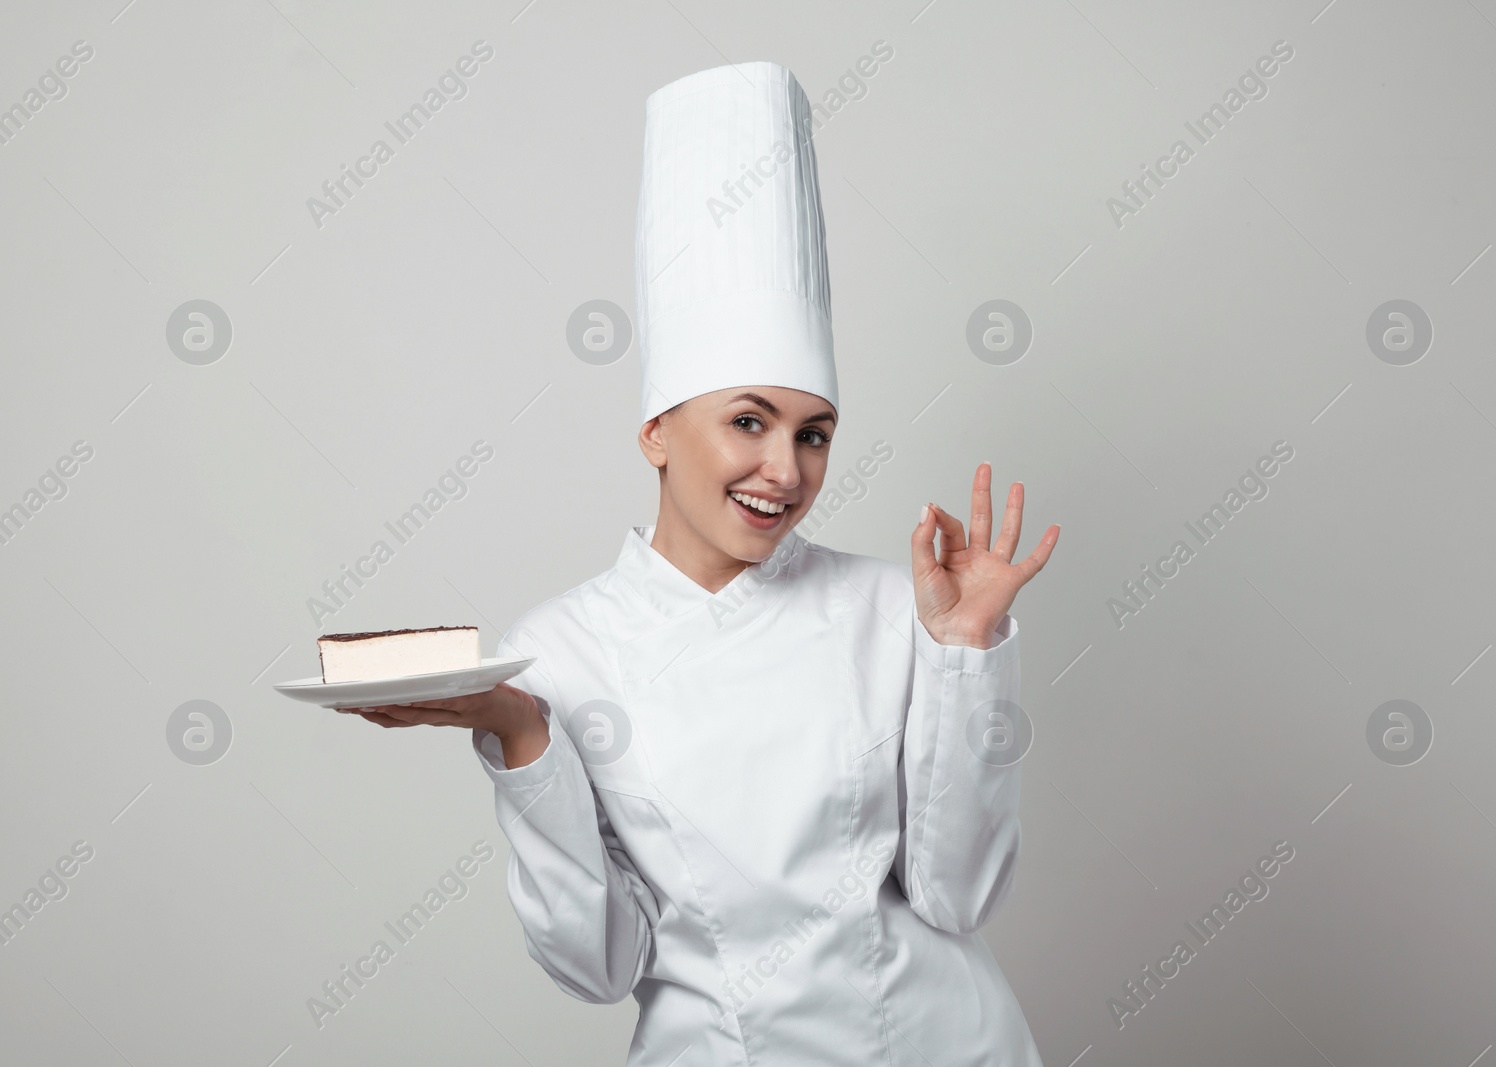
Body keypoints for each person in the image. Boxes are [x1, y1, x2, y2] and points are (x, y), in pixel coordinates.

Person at [346, 60, 1059, 1065]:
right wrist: (521, 735)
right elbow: (599, 965)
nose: (784, 468)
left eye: (813, 433)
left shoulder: (894, 607)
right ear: (656, 430)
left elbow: (959, 894)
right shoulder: (561, 647)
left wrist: (966, 653)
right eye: (748, 421)